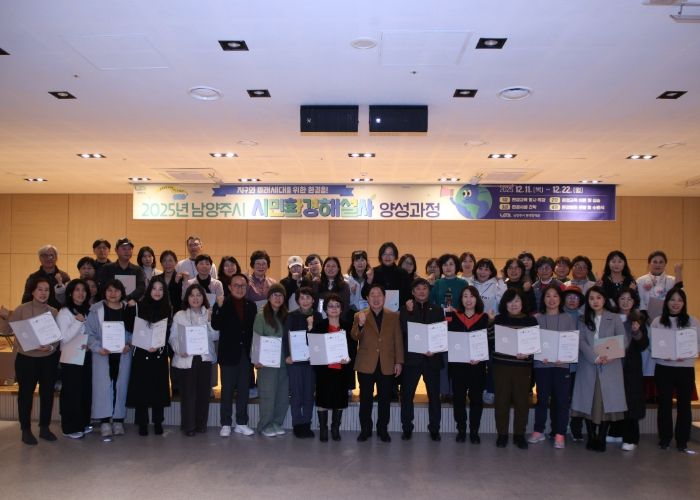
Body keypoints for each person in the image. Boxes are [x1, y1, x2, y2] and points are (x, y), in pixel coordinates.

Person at [0, 278, 60, 445]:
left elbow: (57, 337)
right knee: (25, 395)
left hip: (48, 359)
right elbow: (6, 330)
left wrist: (50, 347)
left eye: (46, 290)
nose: (43, 293)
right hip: (26, 360)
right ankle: (25, 429)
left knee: (47, 394)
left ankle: (44, 427)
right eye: (40, 289)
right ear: (33, 291)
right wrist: (3, 317)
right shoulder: (21, 309)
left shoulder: (54, 312)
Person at [570, 286, 627, 452]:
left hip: (610, 365)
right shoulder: (582, 319)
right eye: (591, 298)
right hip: (588, 365)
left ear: (604, 299)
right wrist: (594, 357)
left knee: (606, 403)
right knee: (588, 401)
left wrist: (611, 355)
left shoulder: (614, 318)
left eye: (598, 298)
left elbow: (623, 340)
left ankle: (601, 437)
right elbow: (580, 341)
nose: (595, 301)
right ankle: (591, 436)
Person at [351, 283, 403, 442]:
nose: (375, 298)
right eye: (372, 295)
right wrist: (360, 325)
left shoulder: (393, 316)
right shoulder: (360, 315)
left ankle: (382, 430)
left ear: (384, 298)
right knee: (365, 399)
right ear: (367, 298)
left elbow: (398, 340)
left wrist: (399, 361)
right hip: (366, 364)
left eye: (379, 295)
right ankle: (365, 429)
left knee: (384, 400)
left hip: (387, 363)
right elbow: (354, 336)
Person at [650, 287, 699, 454]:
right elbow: (652, 345)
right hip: (664, 368)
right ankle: (664, 439)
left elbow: (698, 344)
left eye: (680, 300)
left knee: (684, 405)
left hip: (685, 368)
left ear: (684, 303)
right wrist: (663, 355)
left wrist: (687, 354)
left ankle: (682, 441)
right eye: (672, 299)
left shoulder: (692, 321)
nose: (676, 303)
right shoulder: (658, 321)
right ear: (666, 302)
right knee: (664, 405)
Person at [85, 279, 135, 441]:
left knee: (120, 387)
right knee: (103, 388)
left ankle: (118, 420)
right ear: (104, 292)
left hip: (123, 354)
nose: (113, 294)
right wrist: (97, 347)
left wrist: (129, 344)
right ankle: (105, 421)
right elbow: (89, 333)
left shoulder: (128, 308)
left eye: (116, 290)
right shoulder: (96, 309)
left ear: (122, 292)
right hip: (102, 355)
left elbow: (135, 330)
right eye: (109, 290)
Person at [529, 285, 577, 449]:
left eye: (555, 296)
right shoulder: (537, 318)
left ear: (560, 299)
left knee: (562, 400)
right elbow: (532, 343)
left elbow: (572, 342)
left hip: (561, 365)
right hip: (542, 366)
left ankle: (560, 433)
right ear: (543, 299)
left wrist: (564, 357)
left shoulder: (567, 318)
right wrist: (539, 354)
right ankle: (538, 430)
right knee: (542, 399)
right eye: (548, 296)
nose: (551, 299)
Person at [211, 273, 257, 438]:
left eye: (243, 285)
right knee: (227, 391)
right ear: (230, 287)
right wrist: (218, 307)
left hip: (246, 354)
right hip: (228, 354)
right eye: (236, 285)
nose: (239, 288)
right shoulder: (222, 303)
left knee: (244, 390)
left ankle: (242, 423)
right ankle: (225, 423)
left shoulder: (251, 305)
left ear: (247, 287)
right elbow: (215, 324)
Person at [170, 284, 219, 436]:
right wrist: (180, 349)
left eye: (199, 295)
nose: (195, 298)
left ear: (203, 298)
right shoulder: (179, 315)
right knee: (188, 394)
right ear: (187, 298)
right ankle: (188, 426)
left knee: (203, 393)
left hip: (204, 359)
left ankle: (201, 424)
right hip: (186, 358)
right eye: (192, 295)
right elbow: (173, 338)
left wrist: (210, 321)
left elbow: (216, 336)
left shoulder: (209, 313)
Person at [492, 288, 538, 449]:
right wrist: (489, 323)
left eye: (517, 300)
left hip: (522, 368)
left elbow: (535, 345)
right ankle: (502, 434)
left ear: (523, 303)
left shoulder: (530, 321)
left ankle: (519, 435)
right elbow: (490, 341)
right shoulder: (498, 319)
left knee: (522, 402)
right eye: (510, 301)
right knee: (501, 401)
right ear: (505, 303)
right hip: (501, 366)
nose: (514, 304)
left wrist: (528, 354)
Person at [400, 277, 445, 441]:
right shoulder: (405, 309)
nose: (421, 291)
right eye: (418, 289)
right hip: (412, 359)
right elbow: (404, 329)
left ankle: (434, 429)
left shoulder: (438, 310)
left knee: (434, 397)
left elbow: (441, 334)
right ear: (413, 292)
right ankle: (407, 428)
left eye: (424, 288)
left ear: (429, 291)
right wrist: (410, 312)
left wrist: (435, 349)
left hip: (432, 359)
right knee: (407, 396)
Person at [126, 276, 172, 436]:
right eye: (154, 288)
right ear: (149, 290)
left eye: (161, 289)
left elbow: (168, 332)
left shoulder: (168, 308)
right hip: (141, 353)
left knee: (158, 388)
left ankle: (158, 422)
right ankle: (142, 422)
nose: (157, 292)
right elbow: (130, 326)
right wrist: (130, 308)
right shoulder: (139, 306)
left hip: (159, 353)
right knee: (142, 389)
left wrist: (158, 345)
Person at [446, 286, 489, 443]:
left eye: (472, 296)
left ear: (477, 299)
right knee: (458, 399)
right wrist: (446, 314)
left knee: (476, 400)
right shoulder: (452, 316)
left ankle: (474, 431)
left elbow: (488, 342)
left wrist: (481, 357)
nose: (468, 299)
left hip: (477, 366)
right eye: (465, 296)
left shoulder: (484, 318)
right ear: (461, 299)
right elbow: (445, 337)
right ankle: (462, 429)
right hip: (458, 366)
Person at [309, 293, 352, 441]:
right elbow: (312, 345)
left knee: (339, 399)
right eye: (331, 306)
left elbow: (353, 348)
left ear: (341, 309)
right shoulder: (320, 326)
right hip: (324, 370)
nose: (334, 308)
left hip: (342, 369)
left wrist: (348, 358)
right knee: (323, 399)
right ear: (326, 309)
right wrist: (309, 327)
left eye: (337, 306)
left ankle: (335, 428)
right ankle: (323, 428)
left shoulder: (347, 326)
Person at [284, 286, 322, 438]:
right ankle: (297, 424)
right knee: (296, 394)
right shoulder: (291, 316)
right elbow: (285, 337)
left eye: (308, 297)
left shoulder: (318, 316)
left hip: (312, 362)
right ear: (298, 300)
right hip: (295, 362)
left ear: (313, 300)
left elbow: (320, 338)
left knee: (309, 394)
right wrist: (287, 355)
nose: (305, 301)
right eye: (302, 298)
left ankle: (306, 423)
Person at [613, 288, 648, 451]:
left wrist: (636, 332)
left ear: (634, 302)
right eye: (622, 298)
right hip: (613, 364)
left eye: (629, 299)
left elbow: (644, 345)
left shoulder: (638, 319)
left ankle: (631, 438)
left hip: (631, 367)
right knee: (615, 399)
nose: (625, 302)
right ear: (617, 300)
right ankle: (616, 432)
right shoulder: (610, 317)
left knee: (631, 400)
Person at [57, 279, 93, 439]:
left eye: (84, 290)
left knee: (84, 390)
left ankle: (83, 423)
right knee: (71, 392)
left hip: (85, 355)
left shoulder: (87, 310)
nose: (81, 293)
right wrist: (78, 322)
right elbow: (63, 338)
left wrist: (90, 344)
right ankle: (69, 427)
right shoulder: (65, 312)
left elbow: (90, 333)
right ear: (70, 293)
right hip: (70, 356)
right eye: (77, 290)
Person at [253, 283, 289, 437]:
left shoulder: (286, 315)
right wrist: (256, 359)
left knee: (282, 395)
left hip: (284, 362)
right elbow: (256, 338)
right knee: (268, 394)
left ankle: (276, 422)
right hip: (266, 362)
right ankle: (265, 424)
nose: (278, 298)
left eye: (280, 295)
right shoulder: (261, 316)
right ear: (269, 297)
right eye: (275, 295)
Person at [562, 285, 585, 441]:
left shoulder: (584, 317)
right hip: (561, 364)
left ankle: (576, 428)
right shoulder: (557, 314)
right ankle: (560, 428)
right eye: (569, 296)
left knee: (578, 398)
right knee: (561, 398)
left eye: (576, 297)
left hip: (580, 365)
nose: (572, 300)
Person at [361, 242, 412, 310]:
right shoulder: (373, 272)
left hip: (398, 312)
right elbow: (364, 295)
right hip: (377, 311)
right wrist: (369, 281)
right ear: (380, 256)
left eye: (391, 254)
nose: (387, 257)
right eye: (384, 254)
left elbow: (408, 295)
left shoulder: (403, 273)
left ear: (395, 256)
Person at [21, 244, 71, 309]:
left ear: (56, 258)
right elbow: (26, 300)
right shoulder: (33, 277)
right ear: (40, 258)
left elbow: (70, 298)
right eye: (44, 256)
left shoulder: (64, 276)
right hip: (38, 313)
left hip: (60, 313)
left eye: (51, 255)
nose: (48, 258)